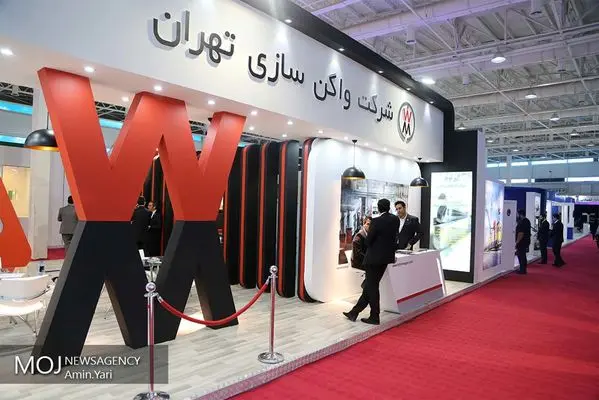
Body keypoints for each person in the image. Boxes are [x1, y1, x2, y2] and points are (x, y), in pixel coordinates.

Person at [344, 199, 399, 325]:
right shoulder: (395, 219)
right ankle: (354, 312)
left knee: (372, 287)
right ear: (389, 207)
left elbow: (368, 241)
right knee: (370, 286)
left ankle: (374, 316)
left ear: (378, 208)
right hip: (386, 258)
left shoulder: (376, 221)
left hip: (373, 259)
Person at [352, 216, 372, 289]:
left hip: (365, 259)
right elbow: (358, 253)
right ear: (364, 224)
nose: (370, 226)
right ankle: (366, 287)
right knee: (374, 268)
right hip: (358, 261)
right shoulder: (359, 235)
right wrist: (369, 259)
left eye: (371, 225)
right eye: (368, 224)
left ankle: (368, 287)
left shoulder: (369, 234)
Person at [514, 209, 531, 274]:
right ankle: (523, 269)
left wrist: (517, 242)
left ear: (520, 215)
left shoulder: (522, 222)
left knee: (521, 255)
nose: (517, 216)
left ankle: (522, 270)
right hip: (525, 241)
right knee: (523, 255)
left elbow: (521, 233)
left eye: (517, 214)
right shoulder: (527, 221)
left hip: (522, 242)